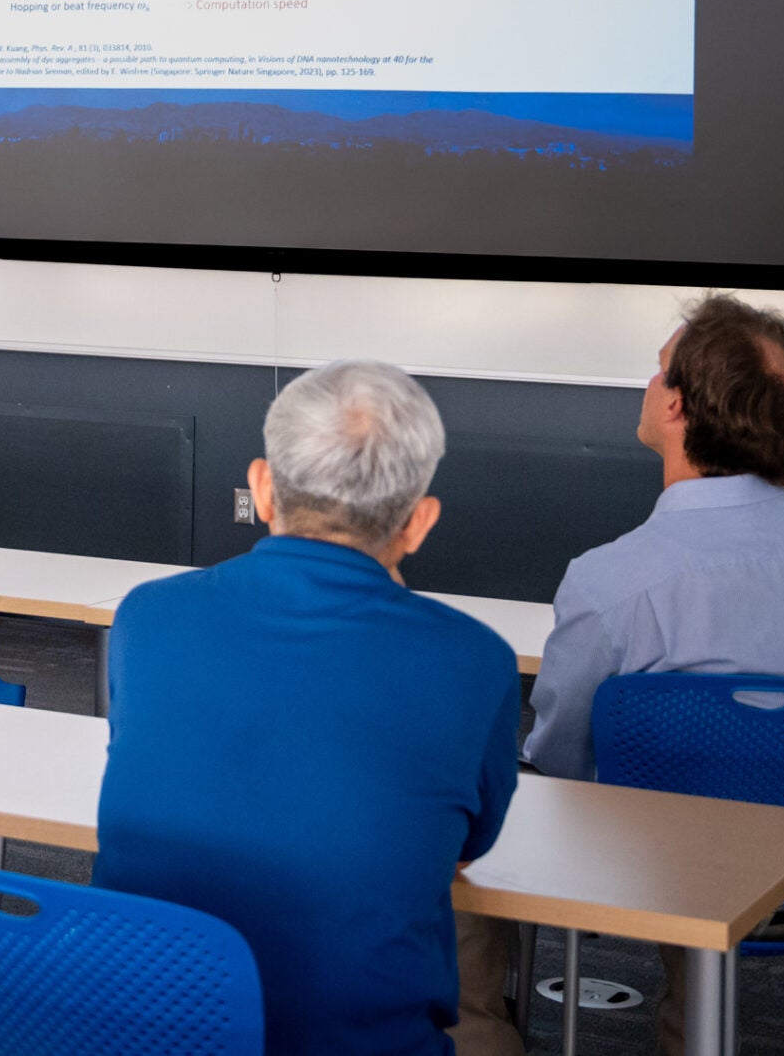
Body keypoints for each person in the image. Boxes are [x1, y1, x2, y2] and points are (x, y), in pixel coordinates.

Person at [454, 295, 784, 1056]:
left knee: (459, 821)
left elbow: (559, 759)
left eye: (656, 373)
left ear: (679, 406)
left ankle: (485, 1040)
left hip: (661, 885)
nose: (648, 386)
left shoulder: (610, 581)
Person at [99, 361, 519, 1056]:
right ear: (418, 522)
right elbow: (467, 843)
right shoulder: (475, 660)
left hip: (142, 1031)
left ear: (261, 486)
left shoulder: (147, 615)